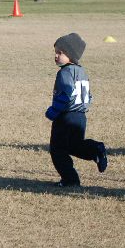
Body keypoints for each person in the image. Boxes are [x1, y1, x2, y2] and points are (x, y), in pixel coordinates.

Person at [45, 33, 108, 187]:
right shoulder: (81, 71)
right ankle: (95, 150)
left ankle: (70, 180)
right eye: (55, 52)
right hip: (80, 116)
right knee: (74, 146)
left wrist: (53, 111)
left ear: (71, 55)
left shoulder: (65, 72)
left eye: (60, 52)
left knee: (58, 150)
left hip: (65, 117)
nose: (56, 55)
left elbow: (66, 94)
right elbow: (89, 95)